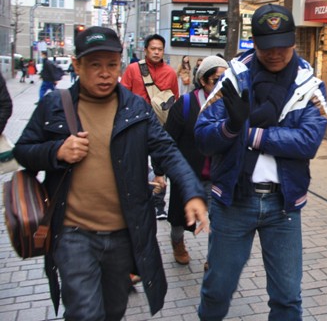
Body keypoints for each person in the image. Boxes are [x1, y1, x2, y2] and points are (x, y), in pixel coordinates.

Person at [13, 26, 208, 320]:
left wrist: (192, 192)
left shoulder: (136, 108)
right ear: (77, 64)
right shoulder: (55, 104)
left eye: (111, 65)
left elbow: (168, 150)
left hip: (123, 234)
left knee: (115, 308)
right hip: (73, 234)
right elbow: (23, 150)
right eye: (95, 65)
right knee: (85, 311)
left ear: (120, 65)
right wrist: (56, 151)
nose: (105, 74)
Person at [195, 4, 327, 320]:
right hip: (233, 201)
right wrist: (230, 127)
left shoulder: (309, 85)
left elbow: (308, 141)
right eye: (267, 46)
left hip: (283, 205)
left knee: (287, 298)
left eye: (283, 45)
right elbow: (202, 135)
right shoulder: (233, 78)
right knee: (217, 290)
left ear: (293, 40)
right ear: (254, 42)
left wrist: (251, 135)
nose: (275, 53)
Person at [164, 55, 228, 265]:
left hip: (217, 175)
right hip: (187, 173)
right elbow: (167, 141)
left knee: (218, 219)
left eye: (226, 80)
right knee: (179, 217)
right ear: (202, 80)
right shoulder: (185, 104)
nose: (221, 85)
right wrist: (160, 172)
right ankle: (177, 243)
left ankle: (213, 257)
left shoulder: (231, 104)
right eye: (216, 80)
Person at [121, 34, 179, 220]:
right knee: (134, 164)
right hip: (135, 124)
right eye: (153, 49)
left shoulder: (170, 73)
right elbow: (122, 95)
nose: (156, 52)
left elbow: (174, 100)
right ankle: (135, 201)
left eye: (160, 49)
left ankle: (159, 205)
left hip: (160, 126)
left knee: (160, 165)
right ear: (145, 50)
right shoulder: (133, 69)